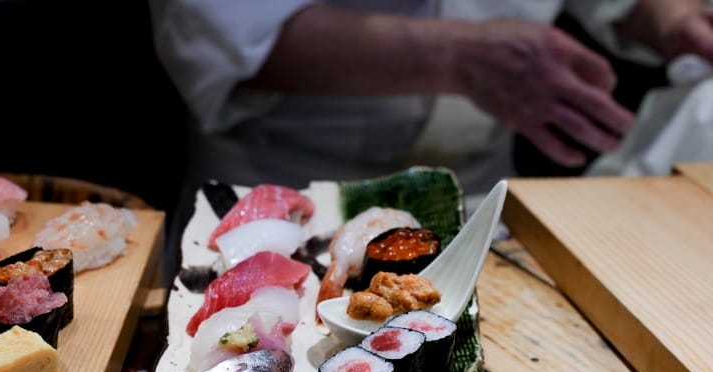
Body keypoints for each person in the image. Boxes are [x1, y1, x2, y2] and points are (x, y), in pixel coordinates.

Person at [148, 0, 713, 276]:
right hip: (278, 196)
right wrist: (458, 58)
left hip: (483, 203)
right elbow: (218, 31)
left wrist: (674, 19)